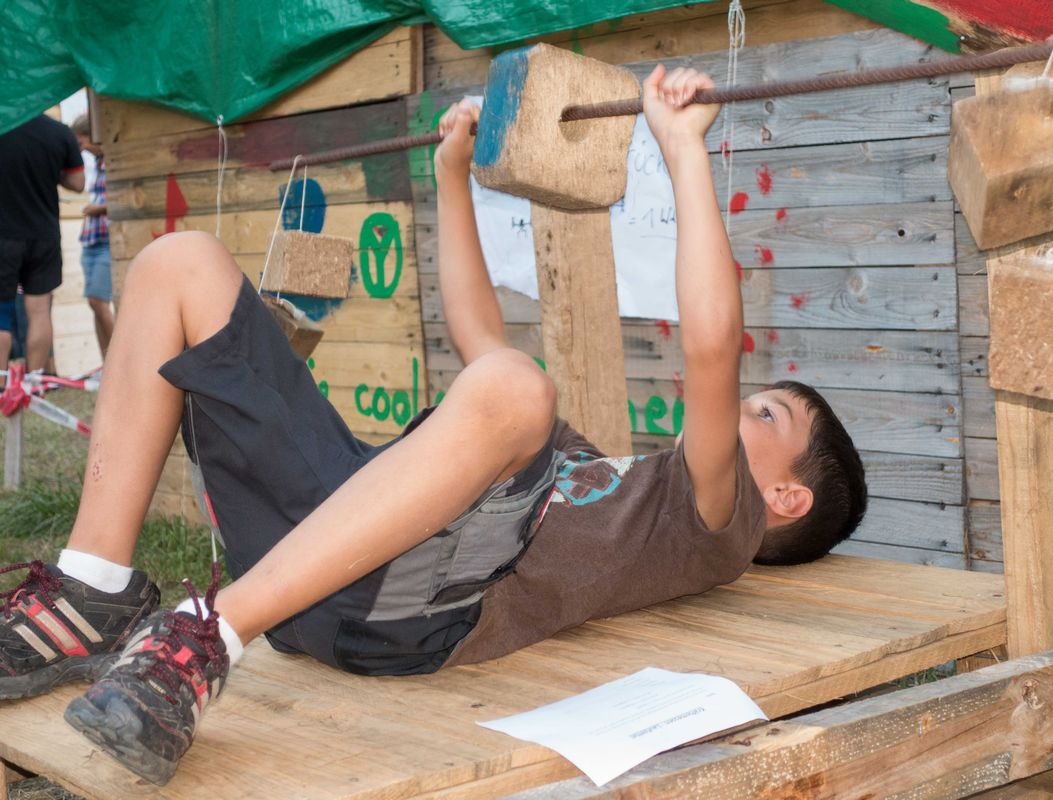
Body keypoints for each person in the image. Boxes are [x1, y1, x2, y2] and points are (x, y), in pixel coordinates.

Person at [0, 67, 867, 785]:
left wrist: (680, 149)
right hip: (330, 545)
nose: (737, 406)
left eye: (766, 411)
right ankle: (91, 589)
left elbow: (711, 347)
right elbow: (477, 334)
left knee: (517, 386)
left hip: (407, 611)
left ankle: (203, 639)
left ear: (783, 497)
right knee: (177, 264)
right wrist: (453, 175)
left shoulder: (709, 523)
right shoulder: (597, 476)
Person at [0, 114, 85, 372]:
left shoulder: (4, 124)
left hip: (4, 236)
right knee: (39, 311)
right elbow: (77, 182)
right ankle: (33, 383)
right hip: (44, 235)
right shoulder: (59, 131)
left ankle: (1, 384)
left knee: (1, 317)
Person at [70, 114, 114, 360]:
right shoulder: (97, 163)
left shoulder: (114, 161)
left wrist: (98, 209)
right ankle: (106, 361)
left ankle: (119, 359)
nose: (82, 149)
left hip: (107, 238)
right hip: (92, 239)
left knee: (99, 301)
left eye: (82, 142)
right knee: (94, 303)